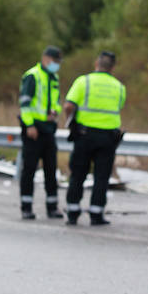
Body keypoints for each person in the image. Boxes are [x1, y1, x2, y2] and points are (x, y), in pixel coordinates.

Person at [60, 50, 126, 226]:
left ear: (96, 63)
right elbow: (119, 107)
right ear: (113, 67)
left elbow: (68, 105)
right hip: (108, 138)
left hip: (85, 135)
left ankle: (73, 212)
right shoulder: (119, 87)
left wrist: (70, 122)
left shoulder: (84, 82)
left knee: (78, 174)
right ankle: (96, 214)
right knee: (102, 177)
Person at [18, 46, 63, 220]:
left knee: (51, 169)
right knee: (29, 169)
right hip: (33, 129)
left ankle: (52, 207)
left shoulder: (53, 78)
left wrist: (55, 112)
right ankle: (26, 207)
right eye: (55, 61)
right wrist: (29, 125)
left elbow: (56, 101)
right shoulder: (33, 75)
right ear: (46, 59)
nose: (57, 65)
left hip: (48, 128)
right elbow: (25, 104)